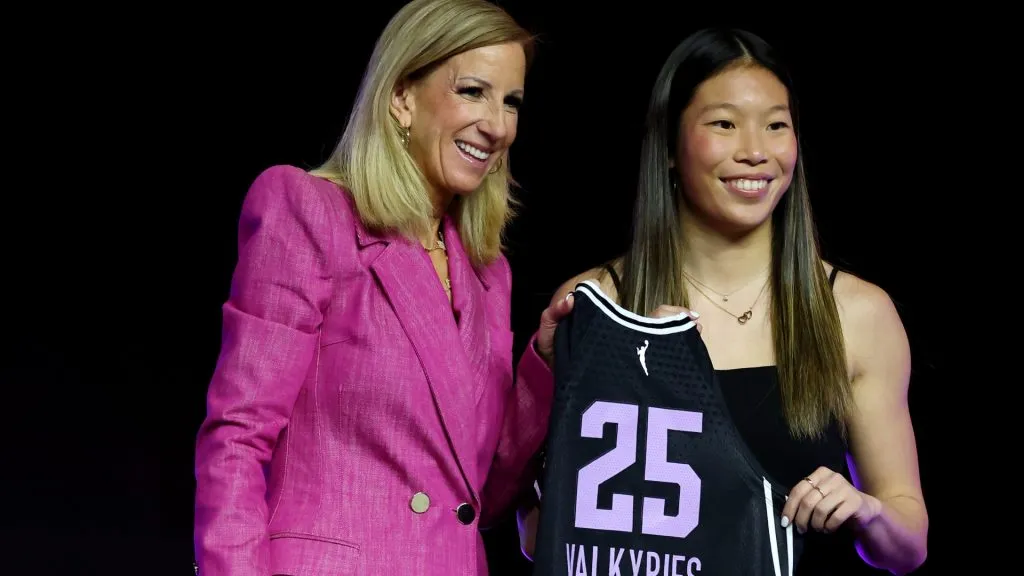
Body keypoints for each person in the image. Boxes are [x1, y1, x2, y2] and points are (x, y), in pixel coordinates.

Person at [519, 28, 928, 575]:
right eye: (725, 124)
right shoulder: (600, 302)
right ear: (668, 145)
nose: (756, 151)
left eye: (777, 125)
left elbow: (908, 546)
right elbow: (536, 533)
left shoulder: (855, 313)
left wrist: (867, 511)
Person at [192, 1, 567, 574]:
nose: (498, 125)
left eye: (511, 101)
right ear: (402, 98)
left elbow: (481, 497)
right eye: (472, 91)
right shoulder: (308, 211)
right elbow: (236, 439)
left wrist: (542, 363)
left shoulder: (489, 276)